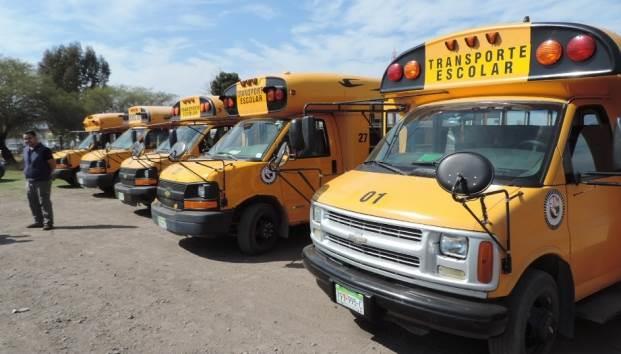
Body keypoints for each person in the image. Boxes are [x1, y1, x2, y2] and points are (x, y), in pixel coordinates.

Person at [23, 130, 55, 230]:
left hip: (42, 181)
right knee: (32, 202)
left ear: (35, 138)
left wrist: (47, 175)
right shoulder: (25, 150)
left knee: (44, 202)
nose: (27, 140)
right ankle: (38, 221)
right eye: (25, 138)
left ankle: (48, 223)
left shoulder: (44, 150)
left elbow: (53, 165)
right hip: (29, 181)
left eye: (29, 138)